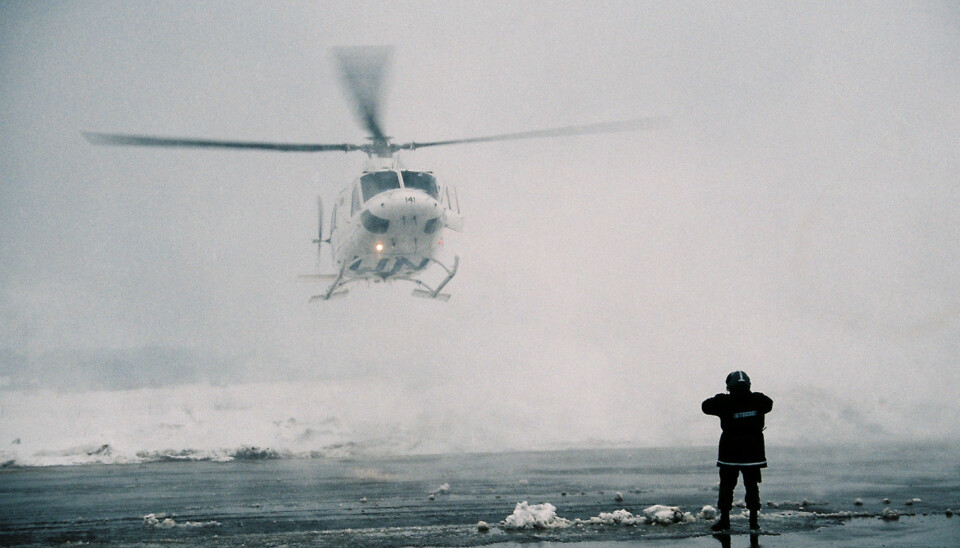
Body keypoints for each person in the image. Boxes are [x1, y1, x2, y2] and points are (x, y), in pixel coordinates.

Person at [702, 371, 773, 532]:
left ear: (729, 386)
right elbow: (769, 404)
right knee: (752, 486)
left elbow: (705, 407)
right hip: (753, 453)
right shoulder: (759, 400)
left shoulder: (723, 402)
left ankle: (725, 521)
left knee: (726, 487)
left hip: (730, 453)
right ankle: (753, 522)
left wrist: (721, 398)